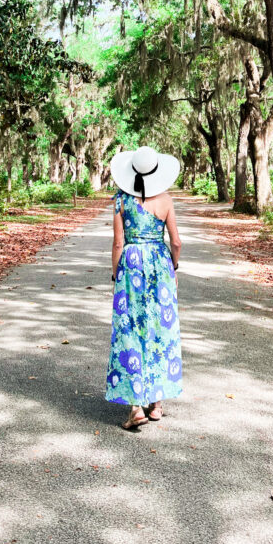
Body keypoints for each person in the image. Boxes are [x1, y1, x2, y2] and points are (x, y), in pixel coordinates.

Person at [105, 145, 183, 431]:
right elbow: (176, 242)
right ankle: (157, 404)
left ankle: (135, 406)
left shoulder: (120, 200)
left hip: (131, 264)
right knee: (160, 329)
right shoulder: (165, 200)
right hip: (159, 266)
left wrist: (117, 276)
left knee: (130, 331)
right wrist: (172, 267)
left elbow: (117, 242)